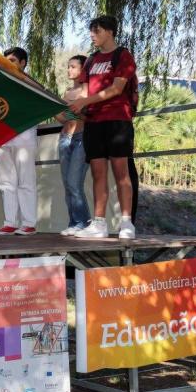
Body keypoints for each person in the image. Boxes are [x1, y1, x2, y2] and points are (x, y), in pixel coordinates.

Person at [70, 15, 138, 239]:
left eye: (96, 31)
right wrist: (76, 105)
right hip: (94, 123)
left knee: (121, 172)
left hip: (118, 120)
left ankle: (126, 222)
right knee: (98, 174)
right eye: (91, 31)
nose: (92, 35)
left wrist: (84, 102)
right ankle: (99, 223)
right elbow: (85, 91)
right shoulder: (90, 60)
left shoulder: (123, 55)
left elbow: (116, 89)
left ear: (109, 31)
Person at [0, 47, 38, 235]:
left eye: (12, 60)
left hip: (24, 138)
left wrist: (20, 77)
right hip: (2, 139)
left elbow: (41, 94)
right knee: (6, 182)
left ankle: (29, 223)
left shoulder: (30, 83)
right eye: (5, 60)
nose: (7, 64)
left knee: (25, 181)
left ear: (22, 63)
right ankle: (10, 222)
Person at [56, 55, 91, 236]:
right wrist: (53, 109)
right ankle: (73, 223)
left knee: (74, 183)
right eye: (68, 67)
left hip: (82, 138)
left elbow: (89, 117)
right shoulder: (67, 92)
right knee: (67, 184)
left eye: (73, 67)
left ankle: (83, 223)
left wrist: (77, 110)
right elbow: (63, 119)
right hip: (64, 138)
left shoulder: (89, 91)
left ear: (83, 69)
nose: (69, 70)